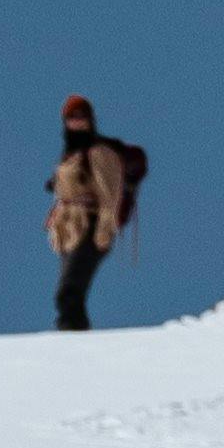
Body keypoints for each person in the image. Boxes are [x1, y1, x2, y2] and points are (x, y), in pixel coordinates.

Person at [46, 97, 148, 329]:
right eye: (72, 117)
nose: (77, 122)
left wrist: (103, 231)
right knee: (68, 292)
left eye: (81, 117)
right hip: (70, 230)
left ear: (90, 119)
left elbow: (109, 195)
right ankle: (73, 336)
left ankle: (73, 338)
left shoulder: (99, 153)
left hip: (90, 226)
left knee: (69, 292)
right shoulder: (71, 155)